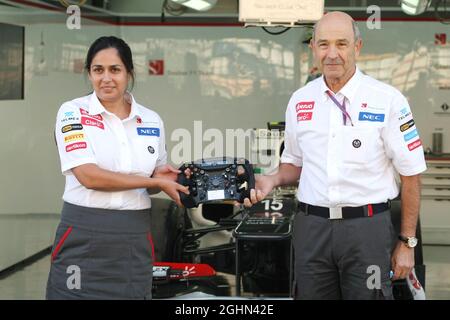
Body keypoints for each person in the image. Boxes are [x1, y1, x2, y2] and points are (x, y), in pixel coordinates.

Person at [244, 11, 427, 300]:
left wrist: (408, 242)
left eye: (341, 44)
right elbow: (294, 163)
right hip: (311, 228)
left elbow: (411, 174)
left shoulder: (388, 100)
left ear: (357, 47)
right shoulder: (300, 100)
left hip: (366, 231)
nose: (332, 54)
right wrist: (271, 179)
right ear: (313, 49)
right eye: (324, 44)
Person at [46, 36, 189, 300]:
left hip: (133, 236)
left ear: (129, 73)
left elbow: (157, 176)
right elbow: (88, 176)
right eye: (98, 70)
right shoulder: (72, 112)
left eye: (115, 70)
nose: (106, 78)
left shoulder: (151, 119)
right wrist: (153, 182)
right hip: (82, 233)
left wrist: (169, 178)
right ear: (89, 73)